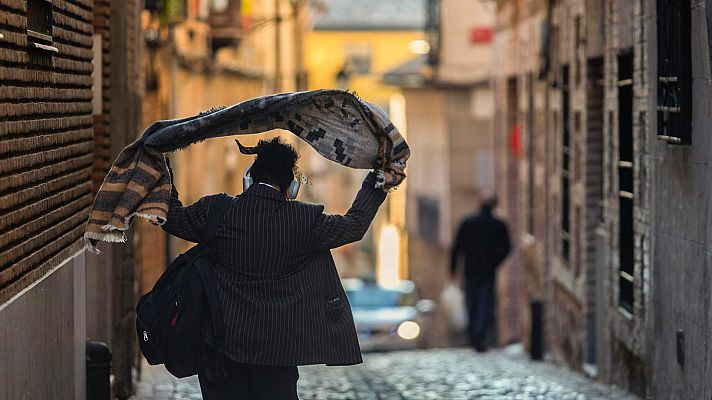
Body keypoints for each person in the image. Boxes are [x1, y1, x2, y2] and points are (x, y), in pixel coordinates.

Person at [161, 137, 388, 399]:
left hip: (221, 350)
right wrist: (377, 181)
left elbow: (172, 217)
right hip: (277, 357)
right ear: (291, 188)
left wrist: (163, 171)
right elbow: (354, 225)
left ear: (248, 180)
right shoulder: (304, 221)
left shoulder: (217, 211)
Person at [450, 195, 510, 352]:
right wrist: (495, 262)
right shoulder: (498, 225)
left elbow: (456, 248)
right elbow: (507, 248)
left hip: (470, 270)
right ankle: (479, 335)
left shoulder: (468, 223)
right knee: (485, 303)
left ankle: (473, 336)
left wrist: (453, 271)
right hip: (488, 271)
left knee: (472, 303)